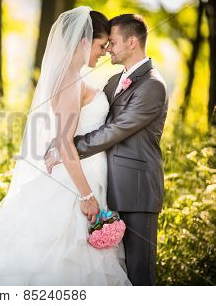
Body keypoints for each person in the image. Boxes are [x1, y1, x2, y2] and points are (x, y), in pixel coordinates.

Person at [0, 6, 132, 286]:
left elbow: (65, 133)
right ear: (84, 41)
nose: (103, 52)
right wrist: (86, 195)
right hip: (76, 183)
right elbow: (66, 141)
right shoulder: (71, 81)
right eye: (101, 45)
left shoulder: (73, 78)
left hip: (87, 173)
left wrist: (57, 145)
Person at [45, 14, 168, 285]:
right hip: (105, 186)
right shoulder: (114, 81)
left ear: (132, 42)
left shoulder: (152, 86)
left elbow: (115, 130)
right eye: (106, 43)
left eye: (112, 42)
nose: (108, 48)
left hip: (136, 191)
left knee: (139, 274)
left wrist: (67, 147)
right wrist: (61, 144)